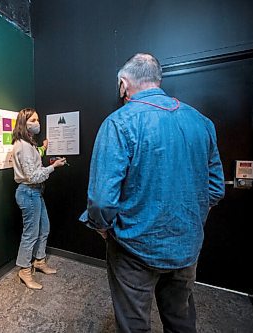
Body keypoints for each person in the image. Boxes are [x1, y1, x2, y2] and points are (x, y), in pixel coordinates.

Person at [79, 53, 225, 332]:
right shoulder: (202, 122)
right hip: (187, 246)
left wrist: (102, 228)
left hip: (133, 248)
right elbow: (216, 188)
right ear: (157, 80)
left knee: (134, 324)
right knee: (181, 320)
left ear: (123, 84)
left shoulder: (118, 123)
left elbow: (100, 201)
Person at [12, 107, 66, 290]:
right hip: (29, 192)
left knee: (44, 228)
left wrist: (43, 148)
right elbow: (33, 176)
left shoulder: (29, 144)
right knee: (31, 234)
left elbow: (33, 160)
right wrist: (54, 167)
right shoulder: (23, 146)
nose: (37, 123)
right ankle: (24, 270)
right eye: (33, 120)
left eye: (37, 120)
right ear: (24, 123)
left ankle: (39, 261)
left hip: (34, 192)